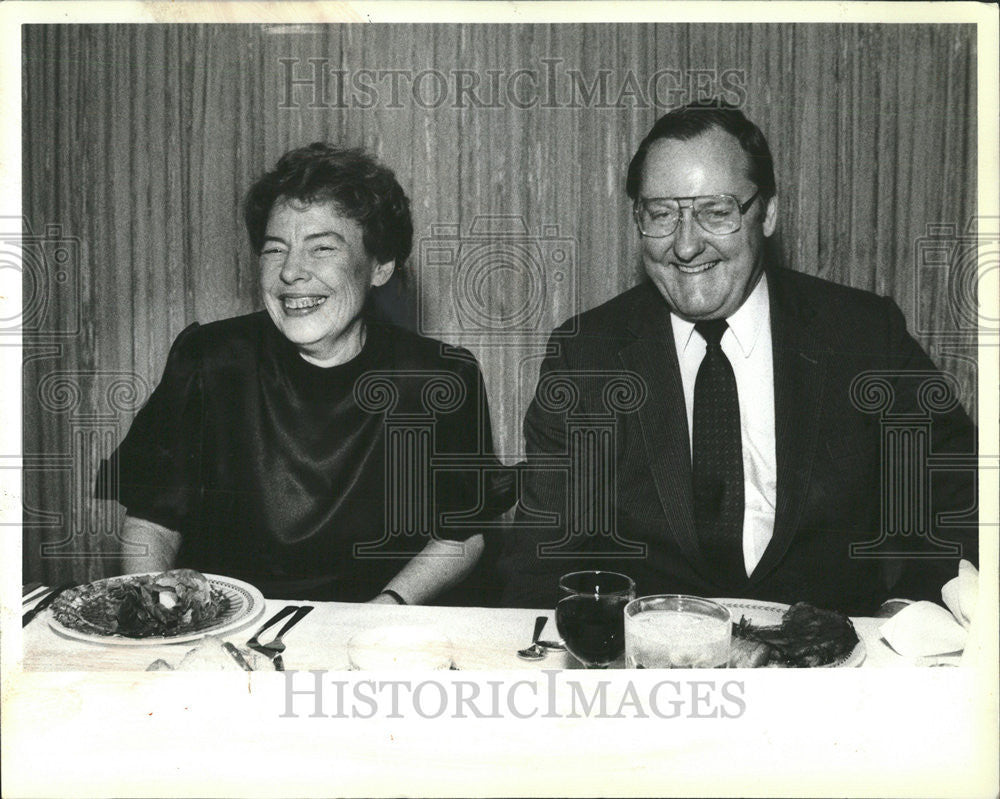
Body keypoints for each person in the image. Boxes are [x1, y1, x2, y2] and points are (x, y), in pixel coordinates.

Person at [499, 102, 977, 615]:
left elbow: (956, 498)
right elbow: (544, 558)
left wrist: (911, 610)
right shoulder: (585, 355)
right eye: (661, 214)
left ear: (766, 212)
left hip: (830, 667)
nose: (685, 245)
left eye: (716, 212)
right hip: (655, 672)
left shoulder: (862, 334)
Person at [97, 143, 512, 604]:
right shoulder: (210, 360)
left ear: (380, 266)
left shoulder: (441, 378)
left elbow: (460, 535)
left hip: (375, 630)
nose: (291, 271)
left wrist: (386, 610)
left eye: (322, 249)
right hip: (229, 629)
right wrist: (159, 607)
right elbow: (152, 521)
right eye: (275, 250)